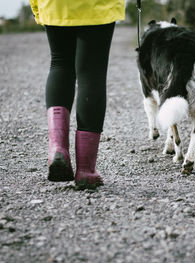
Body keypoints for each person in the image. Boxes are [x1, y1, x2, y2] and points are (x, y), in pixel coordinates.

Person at [29, 0, 125, 189]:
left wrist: (37, 7)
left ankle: (58, 148)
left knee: (60, 63)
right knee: (92, 74)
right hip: (96, 5)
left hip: (55, 4)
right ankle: (86, 171)